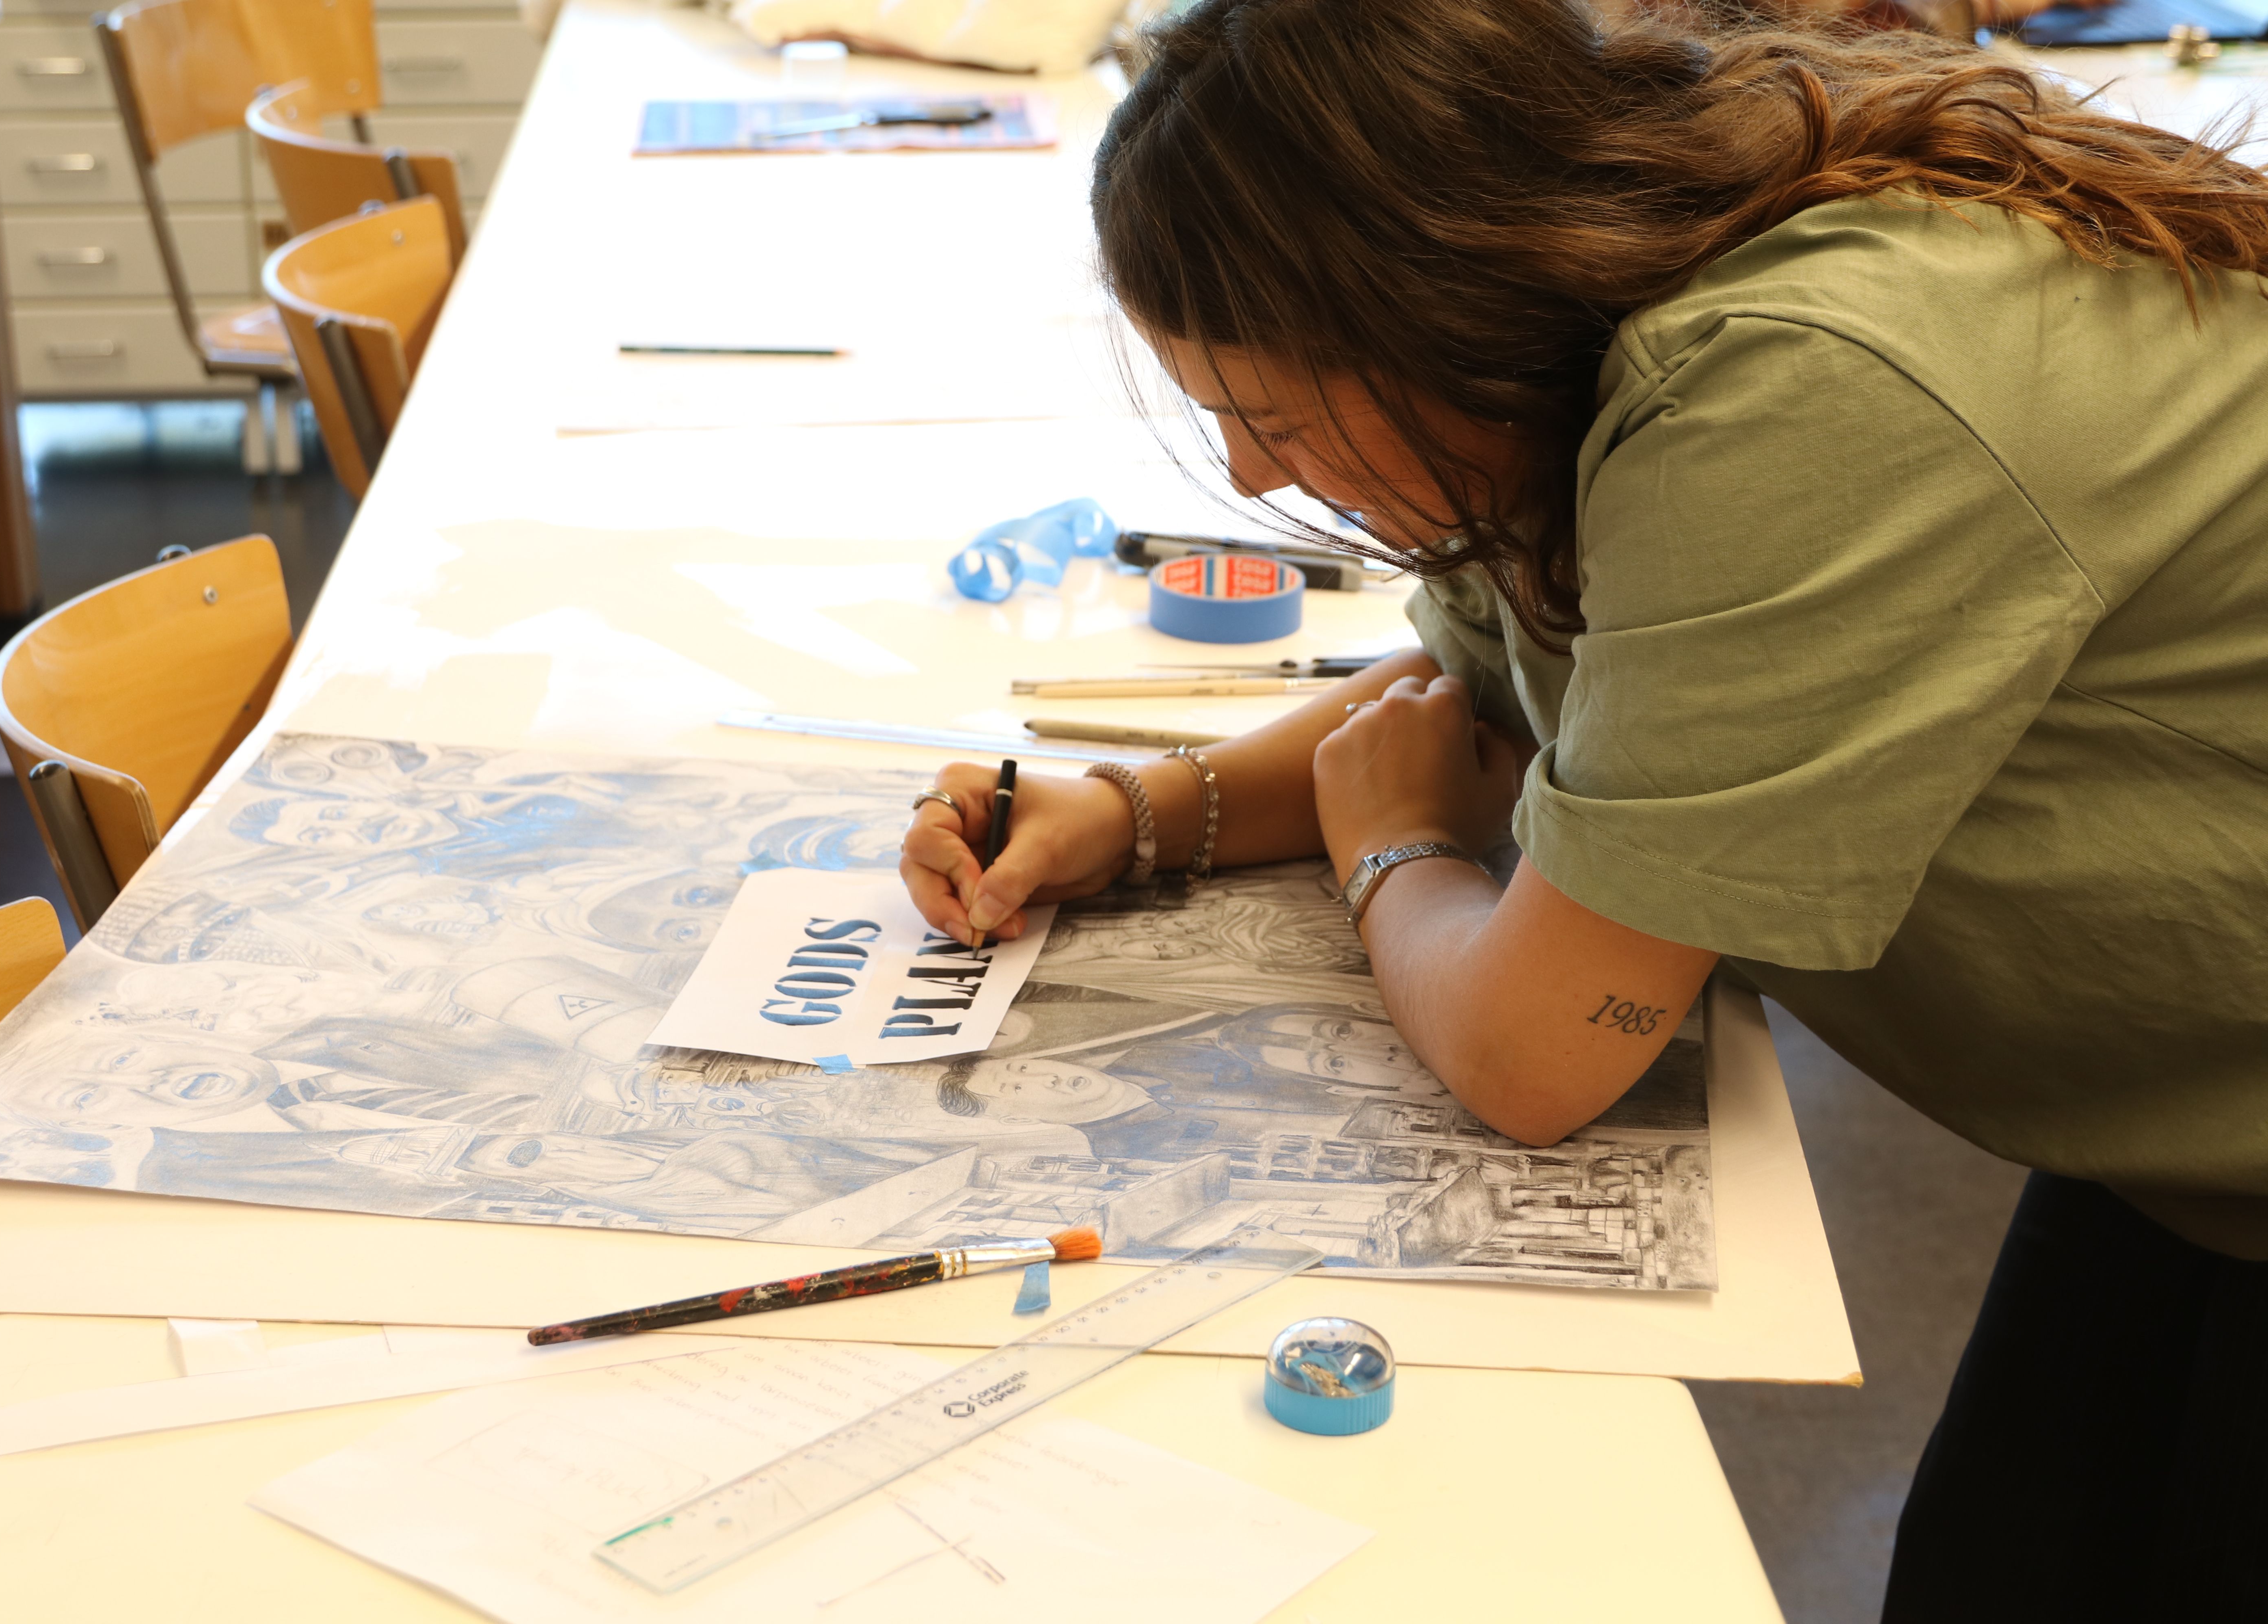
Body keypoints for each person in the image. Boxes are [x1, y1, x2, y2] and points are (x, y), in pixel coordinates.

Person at [897, 0, 2268, 1612]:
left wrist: (1392, 850)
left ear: (1432, 309)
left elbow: (1533, 1053)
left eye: (1273, 416)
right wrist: (1135, 811)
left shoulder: (1792, 397)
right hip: (2179, 1146)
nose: (1253, 476)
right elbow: (1478, 686)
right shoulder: (1592, 313)